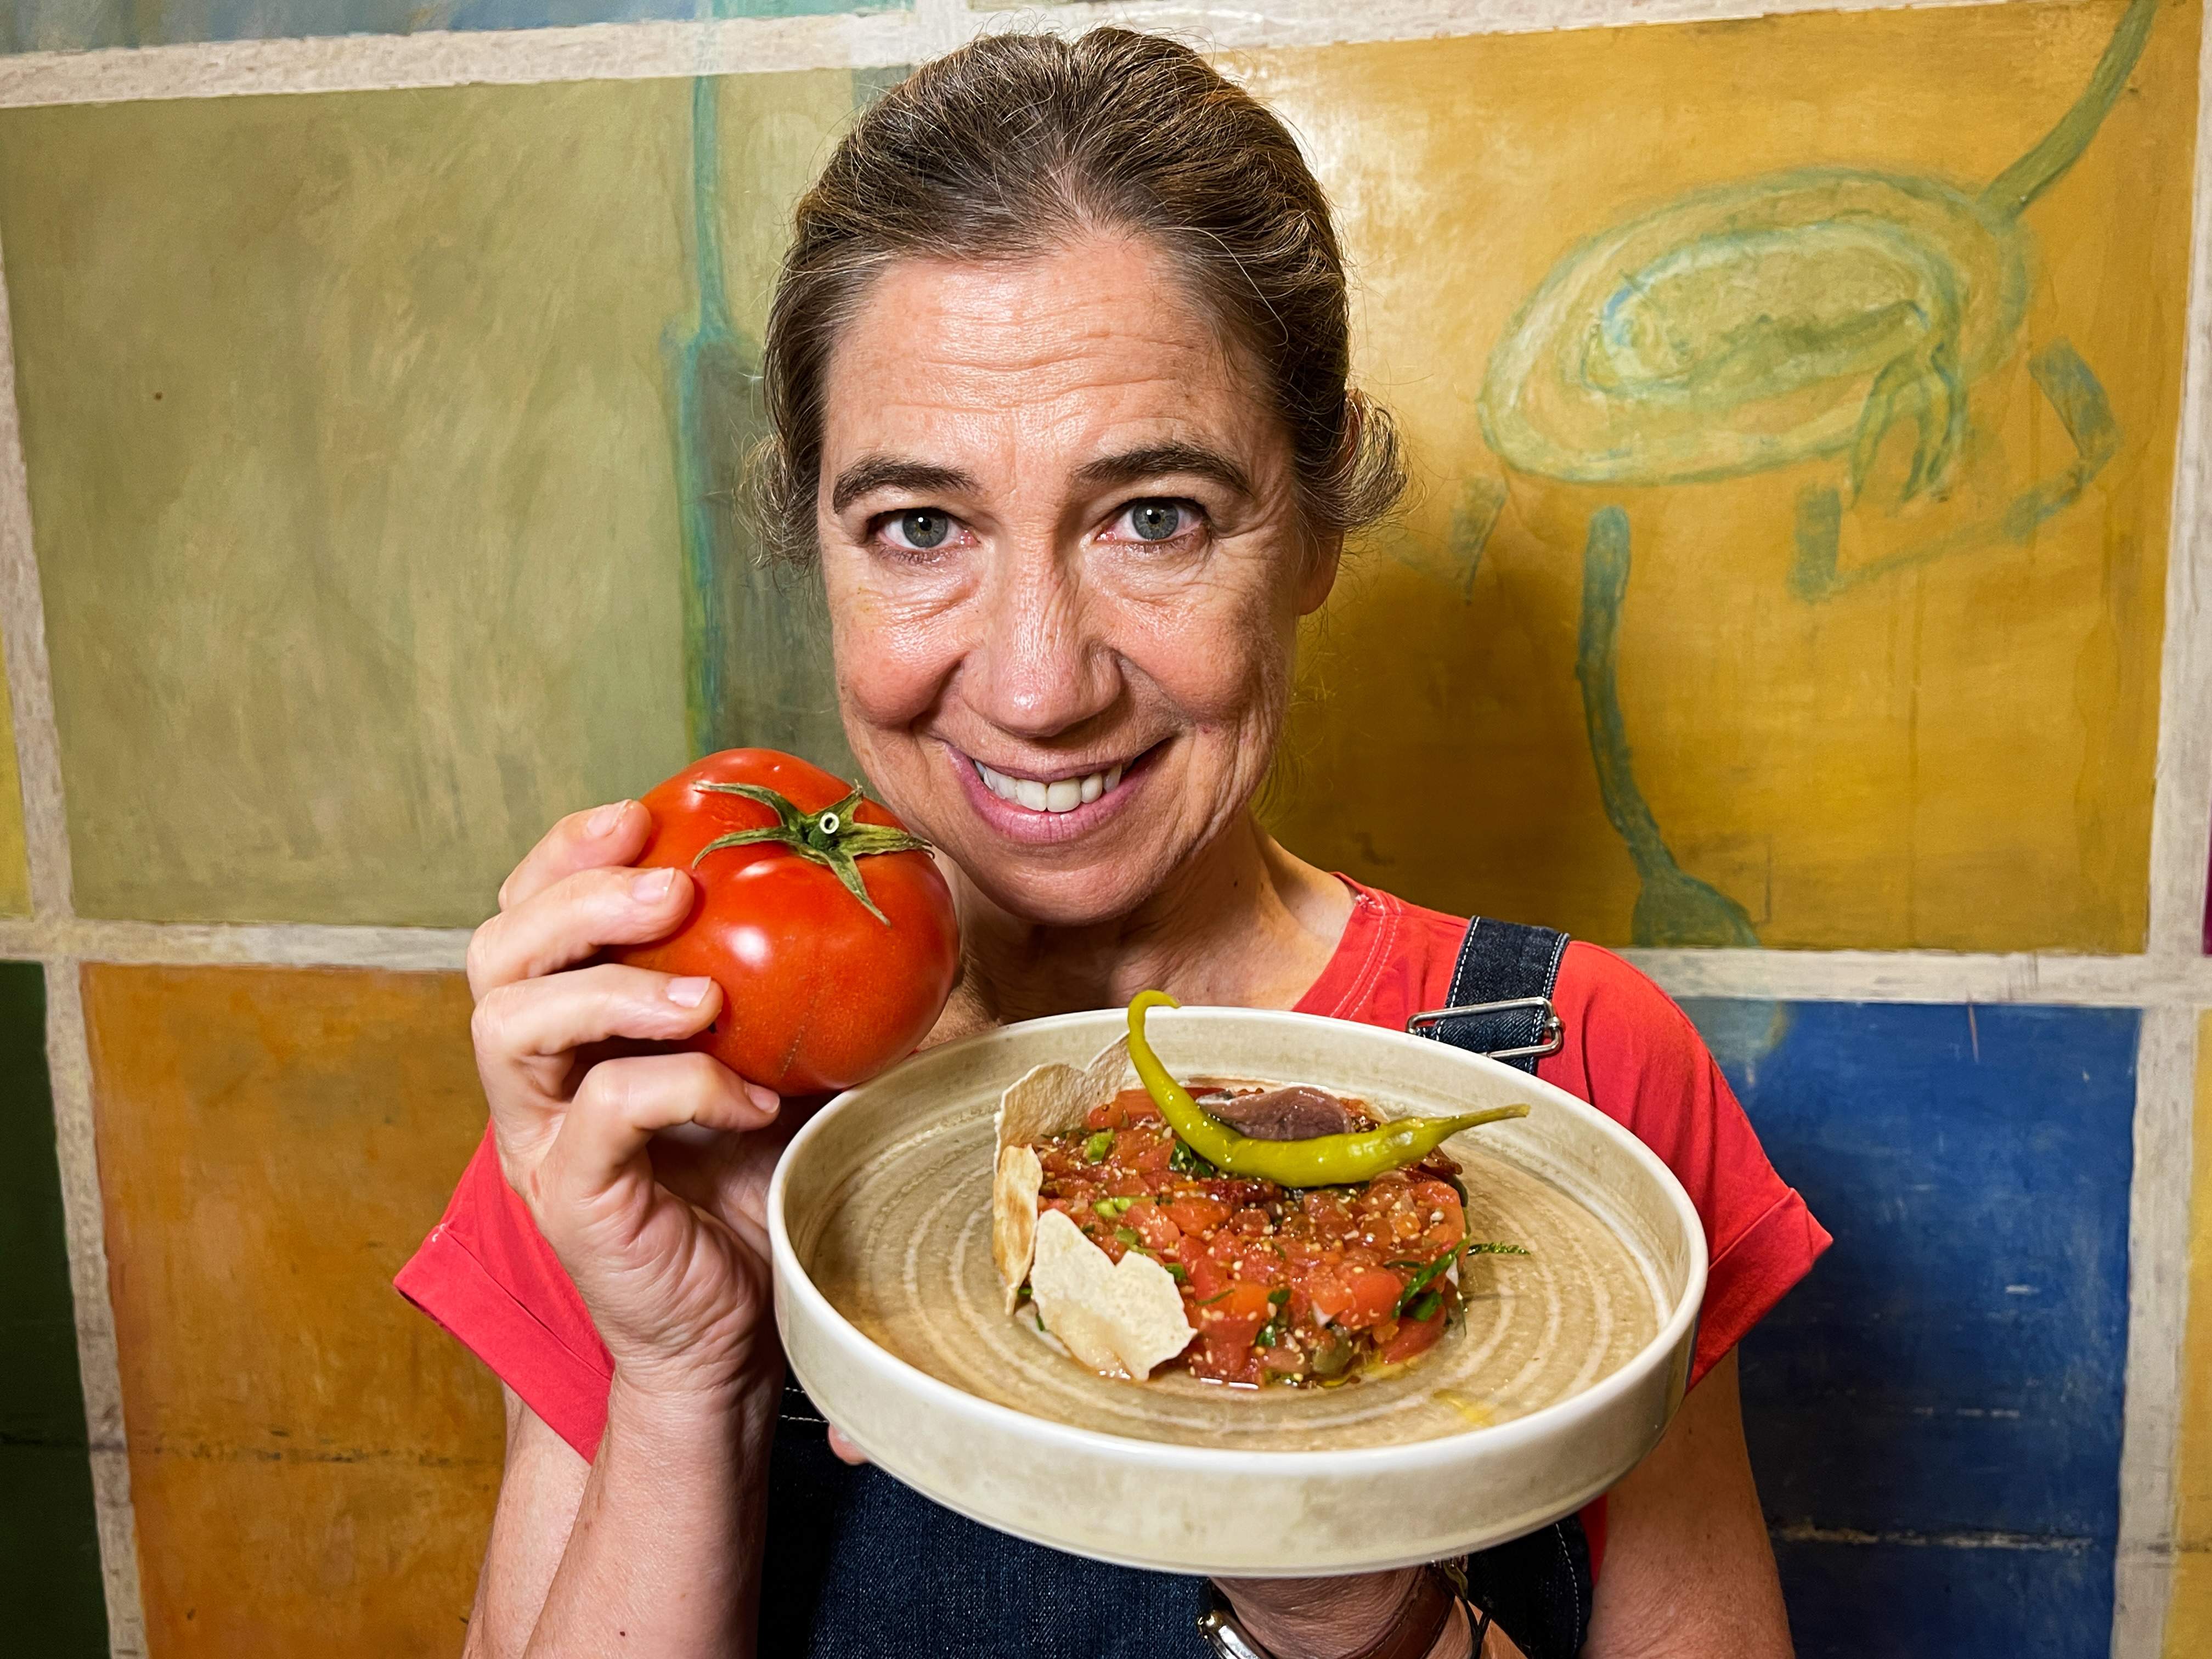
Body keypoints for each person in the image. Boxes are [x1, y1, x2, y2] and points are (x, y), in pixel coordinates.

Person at [397, 28, 1829, 1659]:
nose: (1036, 684)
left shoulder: (1577, 1067)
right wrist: (684, 1382)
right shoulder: (655, 1083)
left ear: (1314, 529)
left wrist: (1350, 1589)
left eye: (1156, 514)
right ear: (817, 546)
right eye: (920, 527)